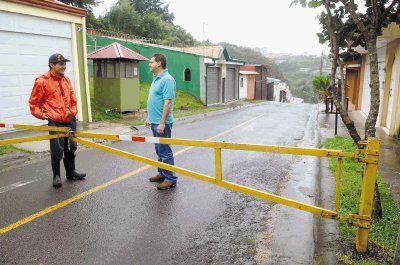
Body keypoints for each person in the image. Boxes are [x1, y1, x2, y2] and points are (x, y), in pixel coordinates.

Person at [29, 53, 86, 188]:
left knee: (72, 147)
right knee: (57, 150)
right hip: (55, 121)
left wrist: (73, 111)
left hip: (69, 119)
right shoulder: (42, 81)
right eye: (61, 64)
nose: (64, 67)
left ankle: (71, 172)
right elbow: (33, 103)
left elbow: (73, 98)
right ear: (52, 65)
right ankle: (56, 176)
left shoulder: (66, 80)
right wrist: (41, 115)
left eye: (65, 64)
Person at [145, 54, 177, 190]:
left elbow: (167, 102)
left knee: (165, 151)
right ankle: (162, 173)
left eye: (151, 62)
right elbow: (154, 100)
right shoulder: (156, 78)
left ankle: (171, 178)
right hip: (155, 121)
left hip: (162, 123)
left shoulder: (167, 80)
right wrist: (149, 118)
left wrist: (162, 122)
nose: (149, 64)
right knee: (159, 149)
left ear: (159, 63)